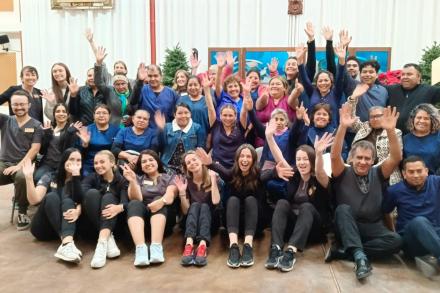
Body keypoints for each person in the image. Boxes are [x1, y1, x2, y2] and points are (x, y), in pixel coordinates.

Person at [327, 103, 402, 280]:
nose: (363, 161)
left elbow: (396, 157)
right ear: (352, 158)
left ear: (373, 160)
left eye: (367, 158)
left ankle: (348, 251)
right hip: (347, 225)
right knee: (343, 209)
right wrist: (343, 126)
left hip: (373, 226)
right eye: (359, 157)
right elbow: (334, 156)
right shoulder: (342, 171)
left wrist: (390, 131)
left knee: (396, 241)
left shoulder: (378, 171)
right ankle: (360, 258)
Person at [263, 120, 333, 272]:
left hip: (313, 228)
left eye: (305, 159)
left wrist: (319, 154)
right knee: (282, 203)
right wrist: (269, 137)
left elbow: (320, 171)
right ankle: (275, 249)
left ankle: (290, 252)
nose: (301, 162)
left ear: (312, 161)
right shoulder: (294, 174)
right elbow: (279, 158)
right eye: (298, 159)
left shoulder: (320, 178)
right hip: (293, 227)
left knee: (306, 206)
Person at [196, 145, 263, 268]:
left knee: (251, 199)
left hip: (254, 225)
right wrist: (210, 164)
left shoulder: (259, 175)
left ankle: (248, 247)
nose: (245, 159)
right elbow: (222, 170)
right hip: (233, 226)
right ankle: (234, 246)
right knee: (232, 200)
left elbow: (269, 175)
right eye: (242, 156)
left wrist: (275, 172)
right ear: (237, 159)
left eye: (248, 156)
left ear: (253, 160)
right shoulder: (232, 174)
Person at [383, 156, 440, 278]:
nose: (416, 175)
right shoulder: (394, 191)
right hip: (412, 242)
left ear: (426, 171)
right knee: (419, 222)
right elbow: (385, 212)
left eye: (419, 171)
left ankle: (435, 258)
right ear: (404, 174)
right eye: (411, 172)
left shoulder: (436, 182)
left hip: (435, 234)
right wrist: (392, 232)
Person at [23, 148, 84, 263]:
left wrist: (78, 210)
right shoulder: (50, 176)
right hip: (44, 229)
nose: (75, 163)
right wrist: (29, 179)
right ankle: (67, 244)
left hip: (68, 228)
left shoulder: (83, 179)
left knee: (69, 201)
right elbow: (34, 200)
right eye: (71, 159)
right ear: (64, 160)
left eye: (78, 160)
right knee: (51, 196)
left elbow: (80, 199)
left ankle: (66, 243)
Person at [121, 150, 178, 266]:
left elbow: (170, 195)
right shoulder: (138, 178)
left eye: (151, 160)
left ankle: (156, 248)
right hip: (142, 223)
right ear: (140, 166)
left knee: (158, 198)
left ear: (157, 161)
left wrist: (161, 201)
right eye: (144, 162)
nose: (147, 163)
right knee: (134, 203)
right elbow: (136, 198)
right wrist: (132, 181)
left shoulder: (170, 177)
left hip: (164, 221)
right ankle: (140, 249)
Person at [0, 90, 43, 229]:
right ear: (10, 105)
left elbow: (34, 149)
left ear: (29, 105)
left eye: (22, 104)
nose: (19, 107)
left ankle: (22, 212)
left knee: (23, 177)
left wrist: (18, 166)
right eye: (15, 104)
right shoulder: (5, 120)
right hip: (4, 163)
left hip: (25, 164)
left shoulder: (36, 125)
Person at [82, 150, 128, 268]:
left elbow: (126, 202)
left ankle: (101, 247)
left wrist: (119, 207)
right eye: (96, 163)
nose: (98, 165)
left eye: (102, 162)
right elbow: (82, 193)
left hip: (117, 223)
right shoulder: (92, 178)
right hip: (94, 222)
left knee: (109, 197)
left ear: (112, 163)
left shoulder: (122, 180)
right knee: (92, 193)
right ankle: (107, 238)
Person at [177, 151, 221, 266]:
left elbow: (216, 201)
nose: (192, 163)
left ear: (201, 161)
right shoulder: (186, 181)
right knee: (195, 205)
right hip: (192, 223)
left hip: (210, 222)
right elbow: (186, 211)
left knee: (205, 206)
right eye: (188, 162)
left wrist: (214, 182)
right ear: (186, 167)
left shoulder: (212, 175)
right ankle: (189, 244)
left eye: (194, 159)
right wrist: (182, 193)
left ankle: (202, 245)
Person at [349, 102, 403, 185]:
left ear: (385, 116)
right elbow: (350, 117)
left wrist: (372, 170)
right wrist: (353, 98)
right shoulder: (364, 127)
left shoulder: (395, 132)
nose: (375, 119)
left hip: (385, 175)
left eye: (378, 116)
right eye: (372, 117)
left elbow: (394, 156)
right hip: (358, 171)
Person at [296, 42, 347, 127]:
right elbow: (304, 78)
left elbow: (340, 77)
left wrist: (341, 60)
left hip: (332, 133)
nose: (323, 83)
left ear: (331, 82)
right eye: (320, 81)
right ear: (316, 83)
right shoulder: (312, 92)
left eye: (326, 80)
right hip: (312, 132)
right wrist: (299, 62)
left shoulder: (336, 93)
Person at [387, 63, 440, 133]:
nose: (405, 77)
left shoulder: (430, 91)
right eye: (403, 74)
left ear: (419, 77)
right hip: (393, 135)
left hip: (418, 137)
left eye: (409, 74)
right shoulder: (391, 90)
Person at [154, 103, 206, 174]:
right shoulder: (166, 127)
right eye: (180, 113)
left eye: (186, 113)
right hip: (167, 166)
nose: (183, 116)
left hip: (188, 168)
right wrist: (160, 130)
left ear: (190, 114)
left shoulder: (197, 128)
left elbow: (201, 149)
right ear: (174, 115)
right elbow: (159, 147)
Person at [210, 85, 251, 169]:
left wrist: (246, 93)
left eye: (230, 115)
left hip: (236, 167)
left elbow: (243, 112)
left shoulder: (240, 125)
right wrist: (206, 89)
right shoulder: (216, 124)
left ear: (235, 116)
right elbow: (210, 108)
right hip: (217, 167)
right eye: (225, 115)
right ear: (220, 116)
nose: (227, 118)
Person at [35, 103, 77, 182]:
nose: (61, 113)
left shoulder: (72, 130)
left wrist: (69, 134)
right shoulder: (49, 129)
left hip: (63, 165)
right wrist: (47, 135)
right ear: (54, 115)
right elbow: (41, 151)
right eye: (58, 111)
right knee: (37, 178)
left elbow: (70, 151)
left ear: (68, 115)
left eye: (64, 111)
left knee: (55, 181)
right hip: (47, 164)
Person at [255, 76, 302, 146]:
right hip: (263, 141)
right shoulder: (265, 98)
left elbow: (293, 98)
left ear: (284, 88)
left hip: (285, 141)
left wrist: (296, 91)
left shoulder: (288, 100)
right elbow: (258, 105)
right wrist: (264, 93)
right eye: (272, 84)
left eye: (278, 84)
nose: (274, 86)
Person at [93, 46, 134, 127]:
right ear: (113, 85)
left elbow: (137, 110)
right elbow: (98, 82)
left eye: (123, 84)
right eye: (117, 84)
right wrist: (98, 64)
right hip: (112, 127)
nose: (121, 86)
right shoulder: (109, 91)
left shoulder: (132, 94)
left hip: (129, 129)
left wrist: (132, 118)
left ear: (127, 84)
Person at [129, 64, 179, 129]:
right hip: (146, 132)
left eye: (156, 76)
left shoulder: (171, 93)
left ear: (161, 76)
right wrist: (139, 81)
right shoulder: (142, 90)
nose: (153, 79)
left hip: (166, 132)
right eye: (150, 76)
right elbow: (133, 102)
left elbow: (177, 113)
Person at [75, 104, 120, 176]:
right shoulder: (86, 130)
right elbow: (79, 154)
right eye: (98, 113)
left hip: (109, 165)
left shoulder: (117, 130)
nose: (101, 115)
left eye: (104, 113)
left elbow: (118, 150)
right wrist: (85, 144)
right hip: (90, 165)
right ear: (93, 115)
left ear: (109, 115)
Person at [403, 103, 440, 175]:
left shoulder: (438, 136)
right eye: (419, 117)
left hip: (435, 181)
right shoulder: (405, 139)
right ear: (413, 119)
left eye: (426, 118)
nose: (422, 121)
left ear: (432, 121)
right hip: (411, 180)